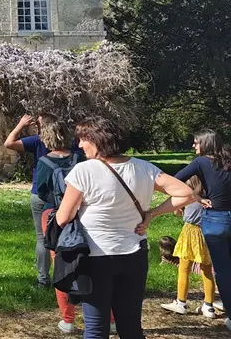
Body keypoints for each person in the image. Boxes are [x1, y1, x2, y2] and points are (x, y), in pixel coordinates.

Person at [56, 117, 193, 339]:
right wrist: (152, 214)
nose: (80, 146)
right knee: (130, 327)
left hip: (95, 255)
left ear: (96, 140)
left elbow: (64, 217)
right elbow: (186, 193)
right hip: (134, 254)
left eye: (82, 140)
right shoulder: (144, 168)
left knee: (95, 328)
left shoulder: (85, 171)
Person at [144, 129, 231, 330]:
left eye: (196, 142)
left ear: (206, 144)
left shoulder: (201, 163)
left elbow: (176, 180)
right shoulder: (227, 160)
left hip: (216, 219)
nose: (194, 146)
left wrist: (196, 197)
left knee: (222, 270)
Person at [35, 120, 84, 334]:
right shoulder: (78, 159)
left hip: (54, 213)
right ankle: (108, 317)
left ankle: (68, 319)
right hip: (80, 213)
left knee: (61, 264)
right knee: (89, 261)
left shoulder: (45, 162)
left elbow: (42, 191)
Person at [4, 112, 59, 288]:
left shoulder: (36, 141)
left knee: (42, 237)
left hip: (40, 194)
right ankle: (66, 278)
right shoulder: (69, 143)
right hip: (65, 194)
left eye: (38, 125)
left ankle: (43, 280)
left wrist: (20, 125)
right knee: (66, 236)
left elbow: (9, 143)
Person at [159, 175, 218, 318]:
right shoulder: (212, 194)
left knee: (184, 268)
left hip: (190, 231)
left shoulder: (189, 196)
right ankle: (209, 306)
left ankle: (181, 302)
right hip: (207, 231)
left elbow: (176, 211)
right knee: (207, 270)